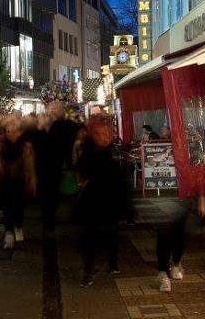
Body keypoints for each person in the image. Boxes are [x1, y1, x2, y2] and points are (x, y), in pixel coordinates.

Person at [74, 114, 130, 287]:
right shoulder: (87, 153)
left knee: (111, 233)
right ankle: (88, 271)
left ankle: (112, 262)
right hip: (92, 201)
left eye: (107, 133)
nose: (105, 137)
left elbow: (120, 180)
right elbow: (81, 176)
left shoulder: (112, 152)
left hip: (110, 200)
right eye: (100, 134)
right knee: (89, 237)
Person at [0, 117, 37, 249]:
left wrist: (31, 182)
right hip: (5, 182)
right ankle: (9, 233)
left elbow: (30, 167)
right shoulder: (0, 147)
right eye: (9, 131)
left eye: (14, 131)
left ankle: (18, 226)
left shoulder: (26, 147)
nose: (11, 134)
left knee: (19, 207)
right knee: (6, 208)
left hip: (20, 181)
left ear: (20, 132)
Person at [37, 101, 81, 233]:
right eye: (51, 110)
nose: (53, 113)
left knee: (61, 193)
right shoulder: (46, 128)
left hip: (60, 166)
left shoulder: (68, 126)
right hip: (51, 168)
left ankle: (54, 220)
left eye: (55, 110)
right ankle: (50, 221)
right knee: (52, 196)